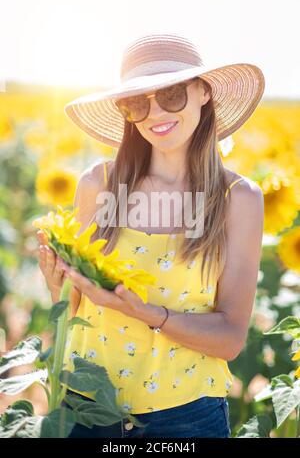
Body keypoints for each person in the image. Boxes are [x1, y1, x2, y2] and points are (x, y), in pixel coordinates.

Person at [36, 32, 265, 438]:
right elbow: (76, 311)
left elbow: (230, 338)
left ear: (203, 92)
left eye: (172, 94)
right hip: (88, 408)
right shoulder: (98, 185)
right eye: (137, 103)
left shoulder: (237, 199)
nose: (155, 113)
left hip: (185, 417)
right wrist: (57, 285)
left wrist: (147, 314)